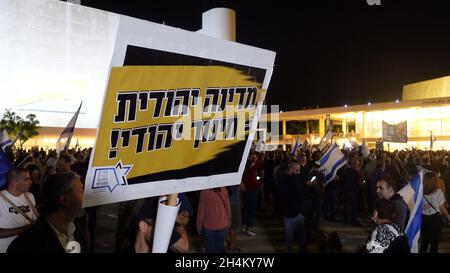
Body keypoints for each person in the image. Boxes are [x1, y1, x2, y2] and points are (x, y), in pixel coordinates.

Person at [7, 172, 88, 253]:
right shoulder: (24, 247)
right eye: (81, 191)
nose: (86, 197)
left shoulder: (76, 228)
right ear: (64, 200)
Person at [0, 167, 37, 252]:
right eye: (26, 179)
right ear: (14, 182)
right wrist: (27, 228)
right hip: (7, 249)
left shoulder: (30, 196)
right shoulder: (1, 199)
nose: (30, 182)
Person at [278, 162, 307, 253]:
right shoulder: (294, 180)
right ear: (291, 169)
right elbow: (300, 195)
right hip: (296, 213)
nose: (299, 172)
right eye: (297, 170)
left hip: (286, 213)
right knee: (302, 237)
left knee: (289, 236)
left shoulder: (281, 179)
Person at [420, 171, 450, 253]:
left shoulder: (420, 192)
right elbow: (442, 208)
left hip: (424, 219)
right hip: (435, 219)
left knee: (424, 241)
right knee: (434, 243)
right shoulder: (438, 192)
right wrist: (449, 217)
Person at [197, 187, 231, 253]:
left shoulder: (205, 191)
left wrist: (199, 224)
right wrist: (229, 221)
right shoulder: (223, 189)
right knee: (220, 247)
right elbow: (228, 207)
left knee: (209, 248)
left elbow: (201, 210)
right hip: (223, 223)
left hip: (209, 226)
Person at [241, 152, 264, 236]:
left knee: (246, 209)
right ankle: (249, 228)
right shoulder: (252, 169)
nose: (256, 160)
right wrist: (262, 152)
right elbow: (259, 162)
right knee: (251, 210)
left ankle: (244, 227)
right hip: (252, 192)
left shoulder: (246, 170)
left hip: (247, 192)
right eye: (254, 159)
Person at [225, 184, 242, 253]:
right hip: (233, 203)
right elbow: (243, 188)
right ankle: (232, 246)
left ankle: (225, 243)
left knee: (226, 224)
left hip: (225, 202)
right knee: (233, 226)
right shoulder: (235, 178)